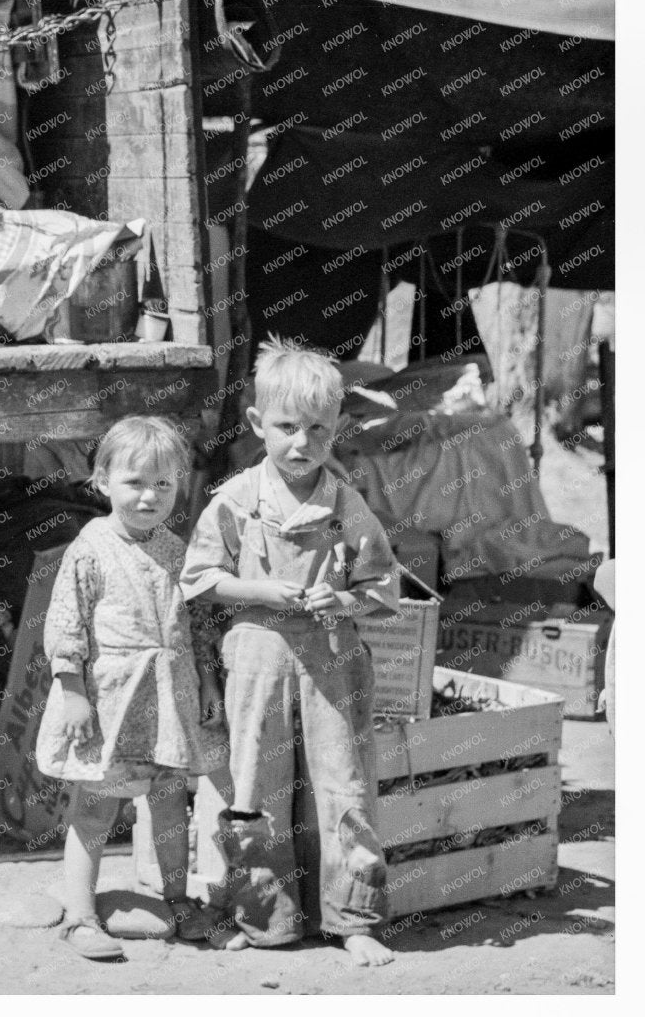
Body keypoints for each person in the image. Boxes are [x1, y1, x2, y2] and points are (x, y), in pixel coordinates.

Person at [181, 337, 401, 967]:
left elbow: (380, 580)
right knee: (255, 785)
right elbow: (199, 577)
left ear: (337, 429)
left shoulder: (345, 501)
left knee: (344, 784)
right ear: (256, 424)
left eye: (317, 430)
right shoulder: (235, 499)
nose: (301, 444)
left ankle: (352, 918)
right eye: (285, 428)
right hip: (256, 654)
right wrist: (260, 590)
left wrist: (347, 602)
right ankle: (267, 916)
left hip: (333, 656)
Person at [37, 415, 226, 961]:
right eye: (135, 482)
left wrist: (208, 680)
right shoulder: (90, 548)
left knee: (170, 804)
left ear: (180, 486)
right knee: (96, 808)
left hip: (169, 698)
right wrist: (72, 691)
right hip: (109, 700)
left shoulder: (175, 549)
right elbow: (65, 625)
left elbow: (194, 623)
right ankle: (80, 916)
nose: (150, 497)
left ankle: (177, 901)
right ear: (102, 481)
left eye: (163, 484)